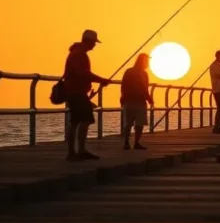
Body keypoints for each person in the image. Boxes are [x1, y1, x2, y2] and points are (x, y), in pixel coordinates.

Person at [62, 29, 111, 161]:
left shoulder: (76, 52)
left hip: (76, 92)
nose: (94, 45)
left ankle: (75, 152)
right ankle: (76, 152)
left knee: (77, 121)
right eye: (94, 42)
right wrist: (101, 80)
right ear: (88, 41)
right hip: (77, 92)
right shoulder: (79, 54)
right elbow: (82, 73)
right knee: (83, 120)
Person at [120, 53, 155, 150]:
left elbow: (123, 86)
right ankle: (131, 143)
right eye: (146, 61)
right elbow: (143, 88)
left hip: (136, 100)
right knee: (135, 123)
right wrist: (149, 99)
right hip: (134, 100)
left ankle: (131, 143)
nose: (147, 63)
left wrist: (122, 97)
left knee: (132, 123)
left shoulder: (139, 73)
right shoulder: (134, 72)